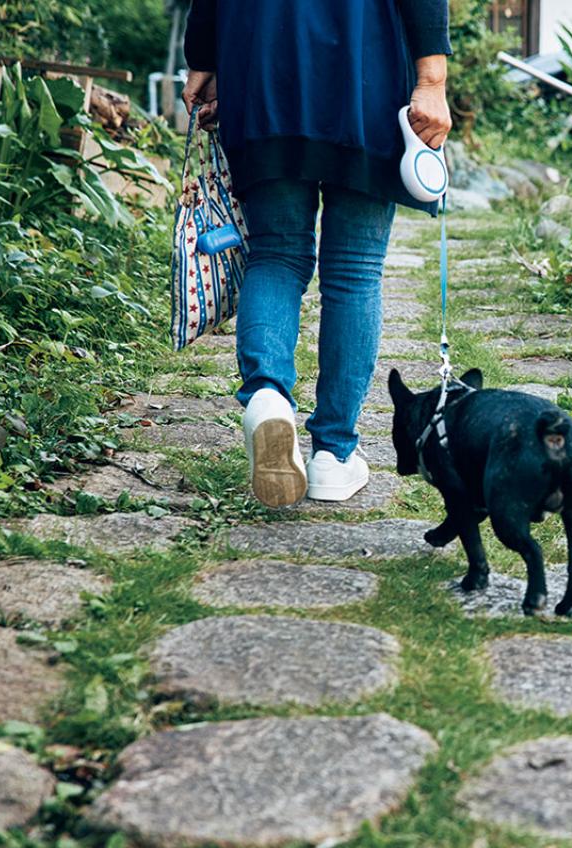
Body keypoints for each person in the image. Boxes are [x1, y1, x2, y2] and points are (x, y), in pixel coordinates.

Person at [181, 0, 452, 508]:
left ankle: (267, 398)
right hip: (364, 68)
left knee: (276, 255)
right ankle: (333, 454)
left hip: (261, 64)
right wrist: (432, 79)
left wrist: (205, 59)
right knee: (354, 270)